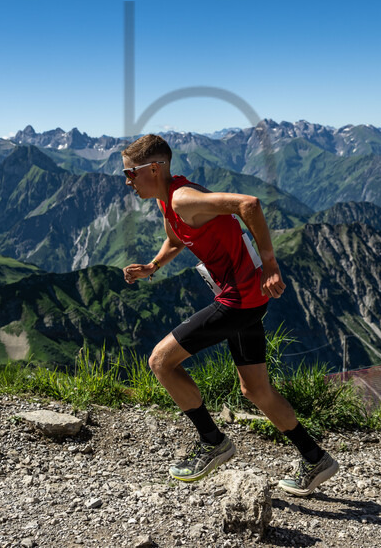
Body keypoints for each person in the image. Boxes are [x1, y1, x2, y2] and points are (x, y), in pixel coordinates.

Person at [120, 133, 339, 496]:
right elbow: (177, 239)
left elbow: (248, 204)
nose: (128, 182)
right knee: (255, 389)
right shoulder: (169, 202)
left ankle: (213, 441)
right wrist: (152, 266)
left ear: (153, 169)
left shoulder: (182, 197)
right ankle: (315, 458)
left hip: (239, 299)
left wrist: (270, 265)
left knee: (160, 361)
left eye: (130, 174)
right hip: (244, 298)